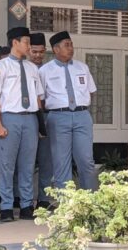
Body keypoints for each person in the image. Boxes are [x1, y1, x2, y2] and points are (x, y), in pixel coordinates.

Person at [0, 27, 43, 222]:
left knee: (27, 164)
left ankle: (27, 205)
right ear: (15, 43)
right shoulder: (0, 67)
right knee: (6, 164)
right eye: (26, 42)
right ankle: (6, 206)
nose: (29, 46)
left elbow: (38, 98)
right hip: (9, 117)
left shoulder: (32, 68)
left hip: (30, 118)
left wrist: (40, 125)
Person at [40, 31, 98, 193]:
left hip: (82, 116)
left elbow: (91, 91)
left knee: (86, 160)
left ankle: (89, 200)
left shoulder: (82, 67)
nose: (71, 48)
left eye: (71, 44)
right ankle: (66, 205)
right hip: (58, 117)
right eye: (66, 45)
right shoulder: (45, 71)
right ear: (56, 49)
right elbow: (41, 98)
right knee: (61, 162)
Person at [29, 32, 54, 208]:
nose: (37, 55)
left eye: (40, 52)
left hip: (46, 116)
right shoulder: (22, 69)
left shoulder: (49, 70)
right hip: (28, 118)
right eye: (34, 51)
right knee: (26, 161)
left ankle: (44, 200)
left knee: (46, 160)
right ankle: (23, 199)